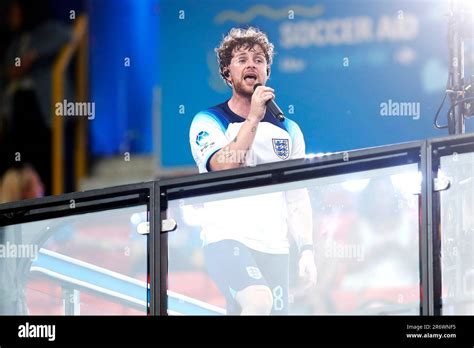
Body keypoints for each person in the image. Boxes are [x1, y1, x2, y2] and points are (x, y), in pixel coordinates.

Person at [189, 27, 317, 315]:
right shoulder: (208, 120)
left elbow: (297, 196)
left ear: (267, 72)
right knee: (259, 302)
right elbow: (224, 164)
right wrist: (254, 117)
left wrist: (307, 249)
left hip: (276, 247)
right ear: (227, 73)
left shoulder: (289, 129)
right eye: (242, 59)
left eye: (258, 60)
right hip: (227, 239)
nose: (251, 65)